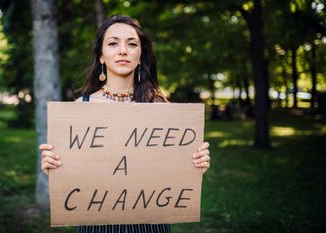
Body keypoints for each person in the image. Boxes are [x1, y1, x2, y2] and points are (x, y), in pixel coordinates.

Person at [39, 15, 211, 233]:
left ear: (140, 56)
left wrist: (196, 164)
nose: (123, 50)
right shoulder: (80, 109)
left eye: (131, 44)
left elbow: (173, 170)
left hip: (150, 223)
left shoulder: (161, 107)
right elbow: (72, 172)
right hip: (97, 223)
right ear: (101, 56)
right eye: (113, 43)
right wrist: (53, 167)